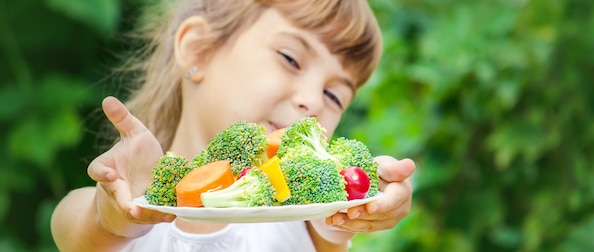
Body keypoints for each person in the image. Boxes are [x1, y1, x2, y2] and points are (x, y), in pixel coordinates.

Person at [51, 0, 415, 251]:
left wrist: (363, 195)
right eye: (291, 58)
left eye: (335, 96)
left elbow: (333, 226)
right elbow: (80, 225)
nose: (314, 101)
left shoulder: (309, 222)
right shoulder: (123, 206)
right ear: (198, 50)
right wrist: (113, 214)